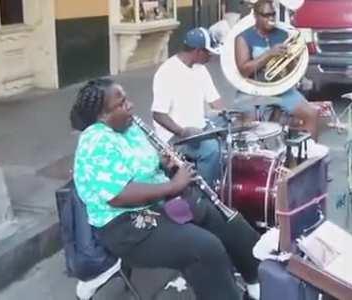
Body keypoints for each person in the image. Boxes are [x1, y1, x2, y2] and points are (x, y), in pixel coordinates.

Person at [70, 78, 261, 300]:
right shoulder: (95, 141)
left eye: (127, 99)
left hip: (160, 204)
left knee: (228, 222)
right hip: (126, 225)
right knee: (205, 248)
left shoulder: (128, 127)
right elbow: (119, 195)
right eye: (121, 104)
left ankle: (257, 285)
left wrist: (162, 163)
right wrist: (174, 185)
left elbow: (141, 164)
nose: (130, 105)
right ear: (102, 116)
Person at [235, 0, 320, 141]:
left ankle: (307, 153)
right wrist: (269, 54)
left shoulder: (283, 34)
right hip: (253, 89)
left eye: (273, 14)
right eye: (266, 15)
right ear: (256, 16)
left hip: (281, 89)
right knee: (249, 126)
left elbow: (293, 67)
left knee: (312, 114)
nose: (271, 18)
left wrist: (292, 60)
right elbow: (244, 70)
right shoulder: (243, 38)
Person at [151, 27, 225, 188]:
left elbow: (215, 101)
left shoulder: (201, 69)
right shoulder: (167, 72)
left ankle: (222, 183)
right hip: (175, 135)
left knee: (229, 132)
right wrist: (182, 132)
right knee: (211, 150)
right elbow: (158, 114)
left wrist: (228, 117)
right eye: (209, 52)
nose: (211, 56)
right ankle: (205, 192)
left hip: (198, 126)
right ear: (198, 52)